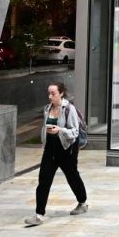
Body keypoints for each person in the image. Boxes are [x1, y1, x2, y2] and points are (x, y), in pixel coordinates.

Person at [25, 81, 88, 224]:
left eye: (53, 93)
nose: (50, 96)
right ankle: (39, 214)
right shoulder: (47, 109)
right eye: (49, 93)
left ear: (61, 93)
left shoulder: (69, 109)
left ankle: (82, 202)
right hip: (50, 148)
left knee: (72, 176)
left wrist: (59, 130)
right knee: (44, 181)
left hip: (66, 149)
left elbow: (75, 131)